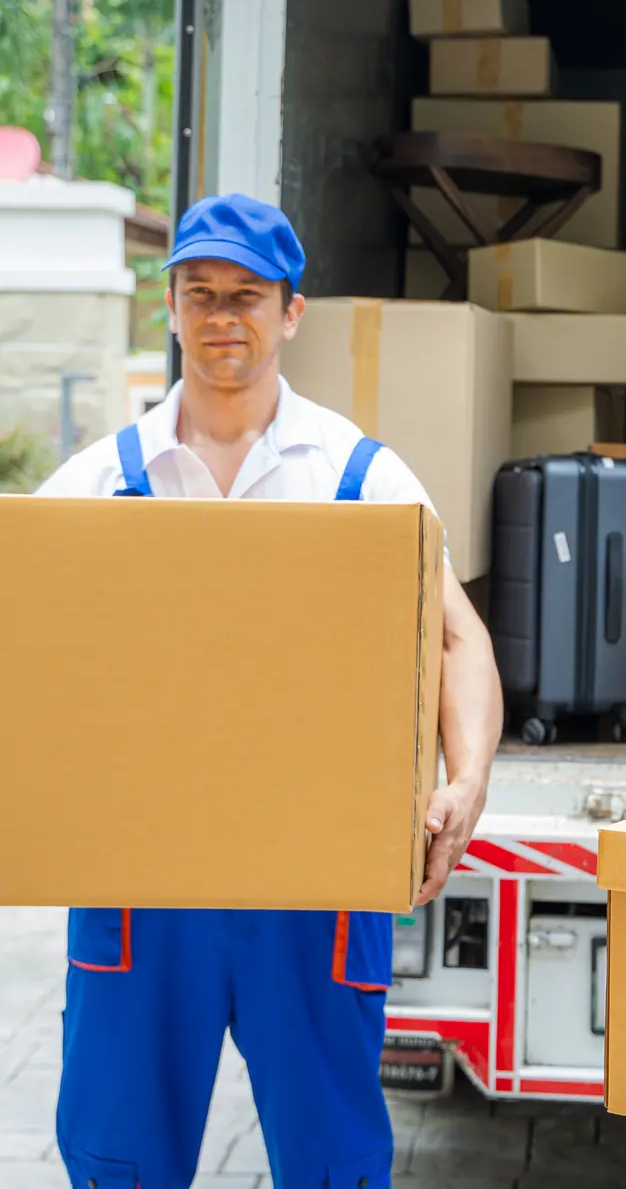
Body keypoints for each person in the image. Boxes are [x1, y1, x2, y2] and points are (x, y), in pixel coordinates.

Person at [39, 193, 504, 1189]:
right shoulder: (88, 489)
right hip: (139, 887)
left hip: (316, 884)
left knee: (332, 1157)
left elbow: (457, 636)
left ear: (291, 312)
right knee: (117, 1152)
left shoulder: (361, 480)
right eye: (199, 293)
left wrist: (465, 781)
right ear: (168, 306)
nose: (221, 317)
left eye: (245, 296)